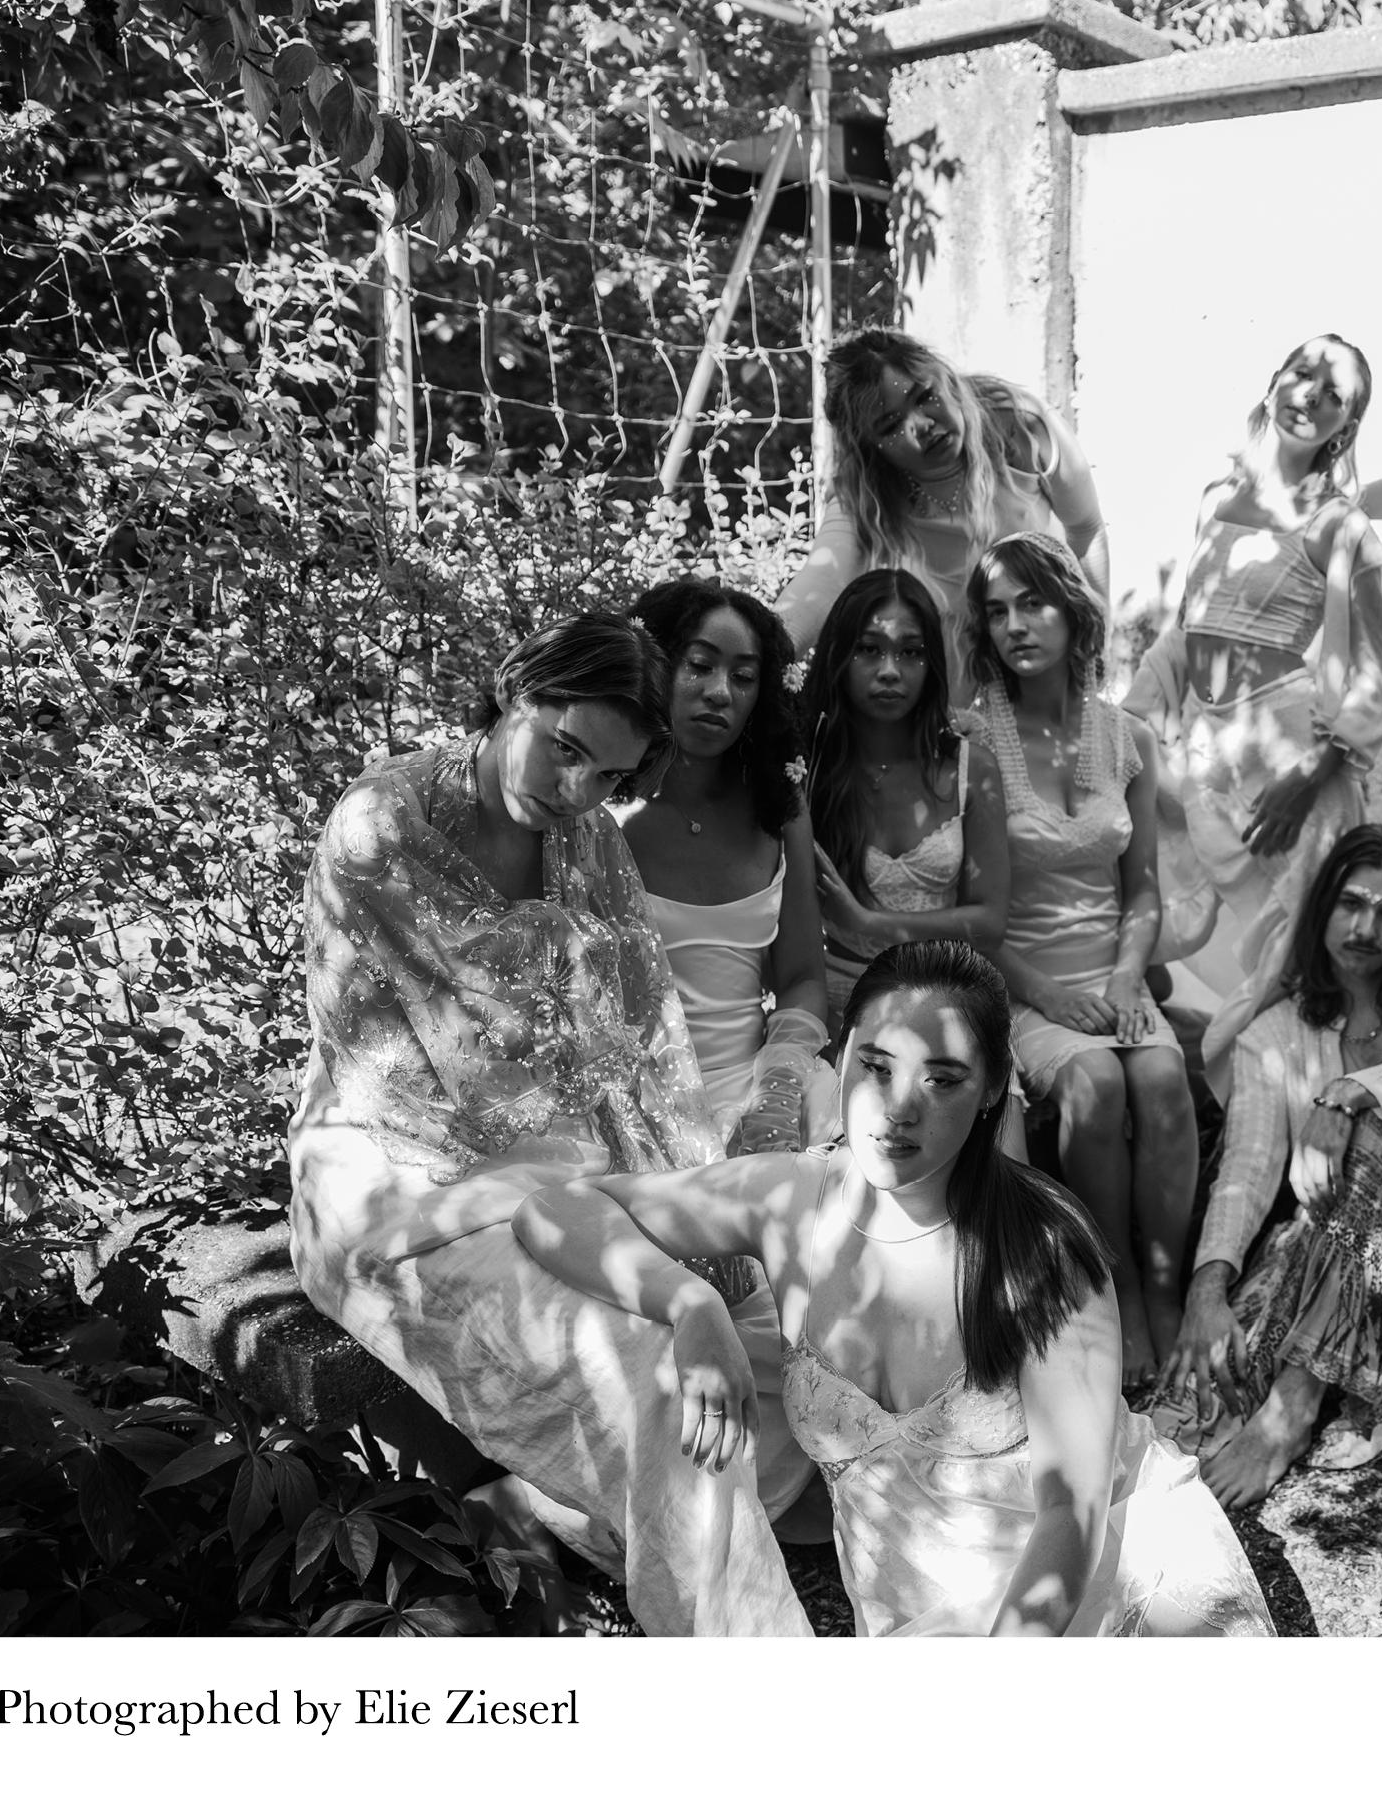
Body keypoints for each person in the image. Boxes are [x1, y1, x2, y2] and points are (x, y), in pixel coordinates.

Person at [287, 612, 813, 1637]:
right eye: (563, 748)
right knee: (654, 1365)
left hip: (568, 1162)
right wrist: (662, 1266)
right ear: (514, 688)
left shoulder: (589, 840)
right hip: (402, 1177)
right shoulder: (381, 824)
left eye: (605, 776)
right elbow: (473, 1078)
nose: (572, 789)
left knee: (785, 1339)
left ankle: (550, 1511)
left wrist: (694, 1204)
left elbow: (639, 1048)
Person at [510, 942, 1274, 1637]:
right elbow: (554, 1209)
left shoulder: (1043, 1251)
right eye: (875, 1065)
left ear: (991, 1090)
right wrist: (690, 1305)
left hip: (1090, 1585)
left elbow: (1067, 1521)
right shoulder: (788, 1199)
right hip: (913, 1608)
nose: (899, 1106)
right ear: (839, 1058)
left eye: (941, 1079)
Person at [1158, 825, 1382, 1512]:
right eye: (1351, 903)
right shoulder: (1273, 1032)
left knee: (1379, 1128)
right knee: (1201, 1394)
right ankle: (1299, 1378)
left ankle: (1292, 1411)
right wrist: (1206, 1290)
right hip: (1332, 1246)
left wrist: (1349, 1094)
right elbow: (1248, 1169)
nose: (1365, 928)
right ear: (1321, 907)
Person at [1126, 332, 1382, 1072]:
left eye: (1334, 393)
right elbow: (1189, 628)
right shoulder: (1216, 500)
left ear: (1346, 425)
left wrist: (1312, 771)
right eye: (1302, 373)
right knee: (1177, 913)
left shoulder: (1340, 526)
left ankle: (1318, 1115)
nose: (1311, 394)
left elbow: (1378, 670)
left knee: (1302, 958)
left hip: (1290, 765)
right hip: (1209, 754)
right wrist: (1132, 717)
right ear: (1274, 379)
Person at [970, 531, 1196, 1383]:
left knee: (1163, 1077)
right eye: (997, 611)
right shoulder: (975, 740)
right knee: (1096, 1081)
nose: (1015, 626)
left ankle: (1167, 1288)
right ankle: (1116, 1285)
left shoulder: (1127, 737)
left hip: (1115, 973)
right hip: (1023, 980)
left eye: (1032, 603)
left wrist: (1127, 978)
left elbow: (1143, 889)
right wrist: (1050, 998)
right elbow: (976, 915)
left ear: (1072, 611)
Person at [623, 579, 837, 1157]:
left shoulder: (779, 808)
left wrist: (780, 1088)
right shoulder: (597, 807)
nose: (720, 692)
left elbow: (802, 979)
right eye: (699, 666)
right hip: (628, 1101)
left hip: (754, 1090)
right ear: (654, 665)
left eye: (743, 677)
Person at [775, 326, 1109, 669]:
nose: (920, 425)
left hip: (1037, 657)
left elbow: (1086, 529)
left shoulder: (1019, 426)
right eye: (891, 426)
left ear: (944, 376)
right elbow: (822, 582)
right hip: (947, 670)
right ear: (871, 448)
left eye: (924, 396)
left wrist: (1097, 643)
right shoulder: (864, 486)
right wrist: (763, 654)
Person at [798, 566, 1012, 1020]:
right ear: (839, 654)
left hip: (944, 1002)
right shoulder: (809, 768)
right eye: (869, 649)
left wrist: (868, 922)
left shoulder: (971, 768)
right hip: (833, 999)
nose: (890, 671)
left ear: (931, 663)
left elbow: (990, 923)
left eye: (911, 652)